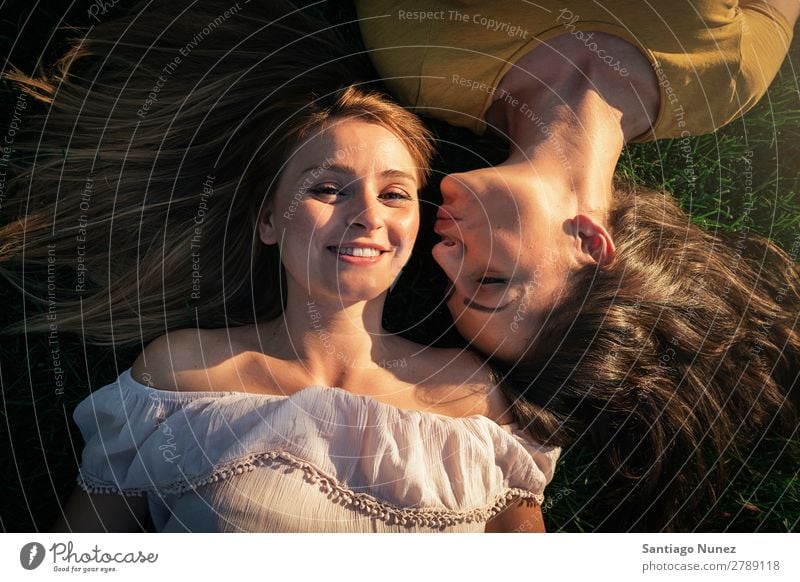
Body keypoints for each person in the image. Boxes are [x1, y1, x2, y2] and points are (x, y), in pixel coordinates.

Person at [0, 2, 558, 532]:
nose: (368, 215)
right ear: (269, 221)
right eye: (327, 188)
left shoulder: (469, 396)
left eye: (394, 194)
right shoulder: (180, 379)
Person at [354, 0, 800, 530]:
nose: (441, 254)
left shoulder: (419, 53)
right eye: (489, 281)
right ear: (590, 241)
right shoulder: (722, 75)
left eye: (452, 283)